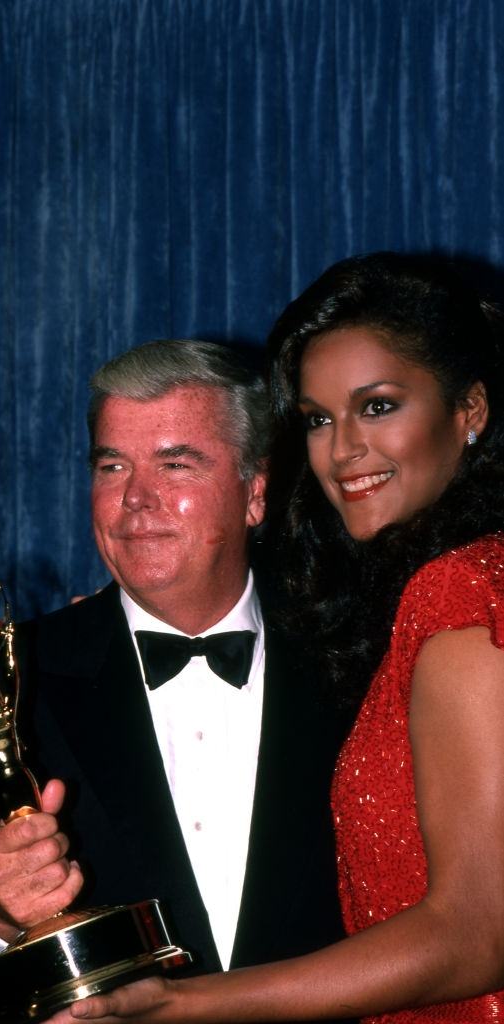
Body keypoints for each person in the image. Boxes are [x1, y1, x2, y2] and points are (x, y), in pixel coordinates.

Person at [60, 253, 504, 1024]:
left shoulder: (460, 591)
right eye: (316, 419)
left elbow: (474, 932)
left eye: (377, 407)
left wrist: (179, 1004)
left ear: (469, 409)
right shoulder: (395, 600)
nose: (341, 450)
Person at [0, 340, 350, 1021]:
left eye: (176, 464)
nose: (134, 499)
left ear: (255, 493)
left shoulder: (354, 654)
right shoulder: (6, 674)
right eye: (111, 465)